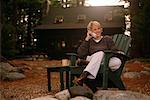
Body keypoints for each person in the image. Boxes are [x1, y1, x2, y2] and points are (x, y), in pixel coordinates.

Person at [74, 20, 122, 92]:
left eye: (99, 28)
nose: (97, 31)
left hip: (106, 60)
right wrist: (87, 39)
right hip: (93, 58)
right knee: (99, 53)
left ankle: (86, 68)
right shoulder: (89, 41)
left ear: (101, 29)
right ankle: (84, 75)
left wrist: (105, 54)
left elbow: (114, 50)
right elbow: (80, 53)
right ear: (90, 31)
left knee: (117, 62)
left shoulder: (107, 39)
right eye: (94, 29)